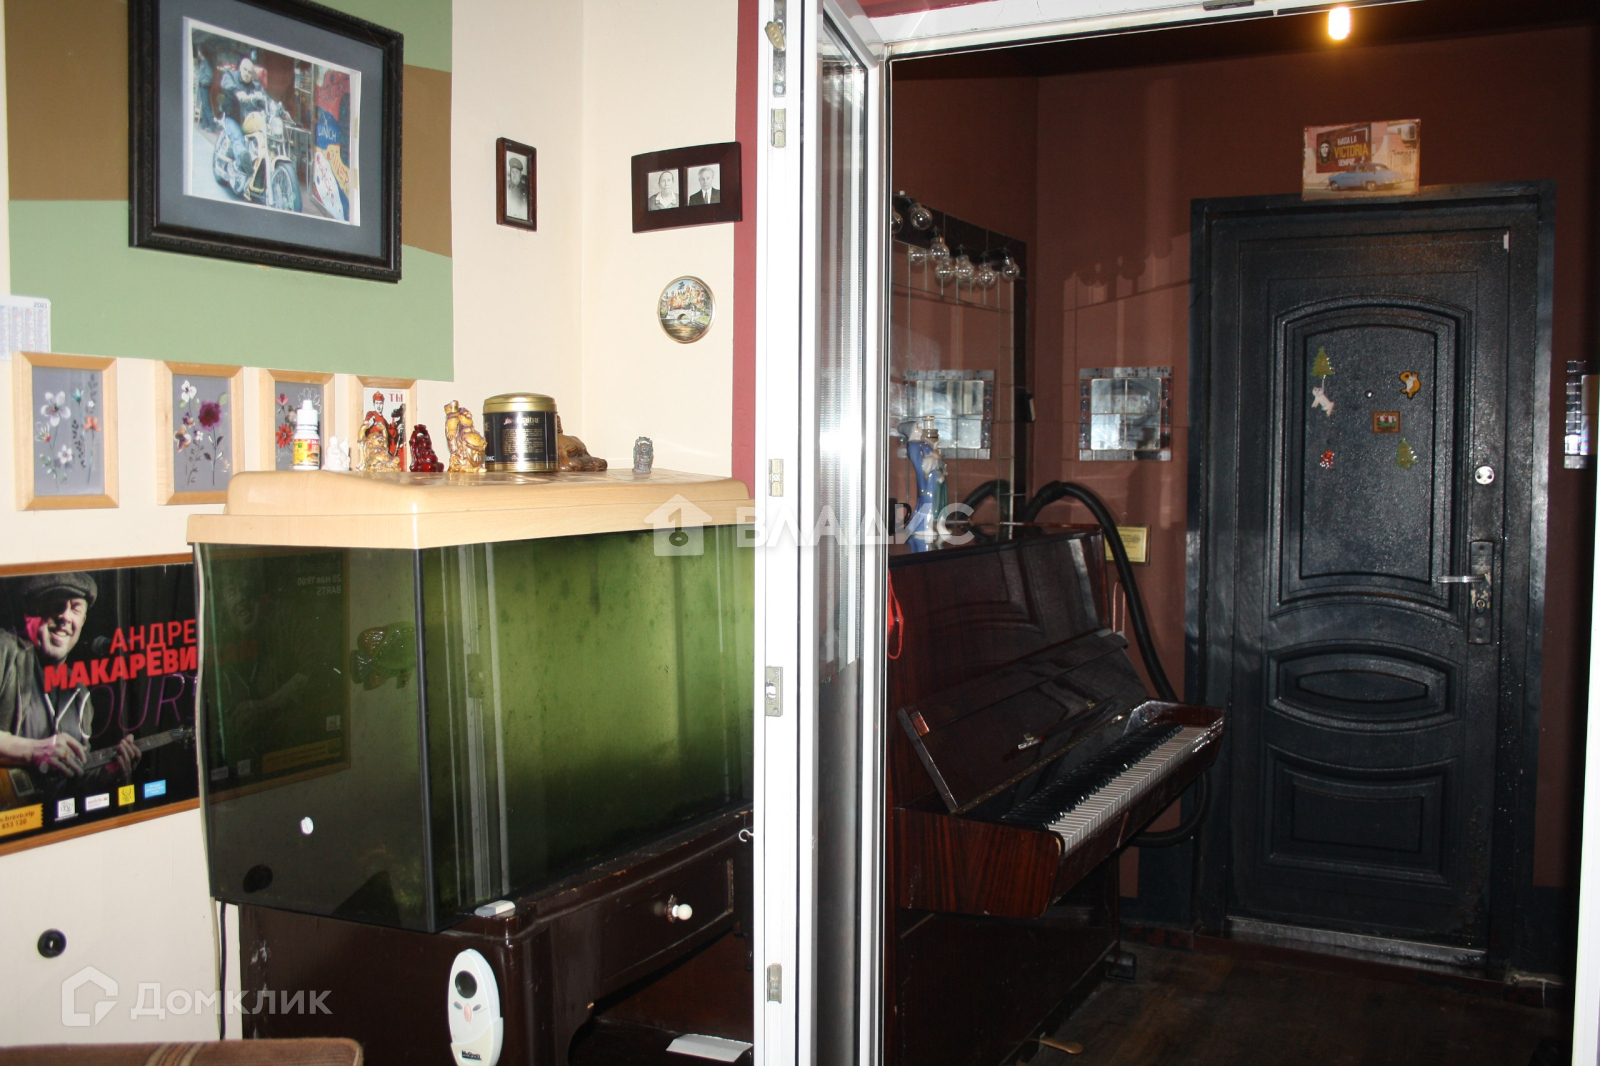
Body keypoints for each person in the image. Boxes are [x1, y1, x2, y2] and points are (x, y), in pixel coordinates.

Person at [0, 573, 139, 781]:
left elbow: (72, 781)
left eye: (75, 609)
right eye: (57, 605)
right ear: (31, 612)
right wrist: (32, 751)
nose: (65, 616)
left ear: (82, 621)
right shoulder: (5, 649)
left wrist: (108, 774)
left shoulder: (80, 692)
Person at [217, 56, 269, 188]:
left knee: (263, 136)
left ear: (252, 74)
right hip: (232, 117)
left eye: (250, 72)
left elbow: (263, 97)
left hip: (248, 122)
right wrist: (238, 92)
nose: (247, 73)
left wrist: (274, 105)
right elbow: (226, 83)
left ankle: (256, 165)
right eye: (245, 70)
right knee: (238, 139)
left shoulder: (255, 86)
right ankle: (243, 158)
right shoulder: (231, 76)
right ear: (240, 68)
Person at [506, 155, 529, 220]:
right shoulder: (505, 186)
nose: (514, 175)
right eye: (512, 172)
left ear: (521, 175)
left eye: (516, 172)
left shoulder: (526, 189)